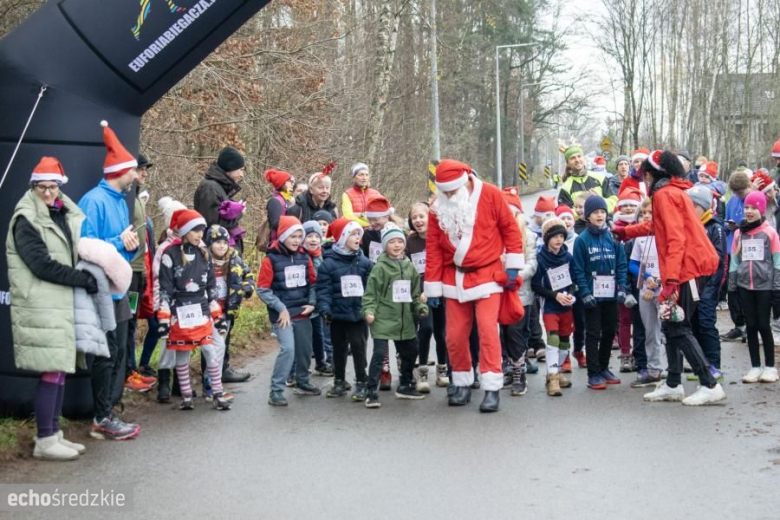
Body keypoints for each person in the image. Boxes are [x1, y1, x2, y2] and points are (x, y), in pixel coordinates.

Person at [613, 150, 727, 405]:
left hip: (688, 269)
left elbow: (675, 239)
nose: (644, 181)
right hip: (687, 267)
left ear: (654, 174)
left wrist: (672, 281)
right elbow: (658, 226)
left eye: (645, 176)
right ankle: (674, 383)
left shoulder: (665, 195)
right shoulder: (672, 192)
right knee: (671, 325)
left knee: (678, 326)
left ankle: (709, 384)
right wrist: (627, 231)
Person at [7, 157, 99, 459]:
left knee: (58, 368)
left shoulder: (60, 213)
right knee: (51, 369)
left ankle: (53, 433)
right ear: (33, 186)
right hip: (41, 305)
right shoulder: (26, 219)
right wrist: (81, 279)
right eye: (41, 187)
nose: (47, 193)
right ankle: (45, 440)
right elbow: (40, 264)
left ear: (60, 188)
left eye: (52, 187)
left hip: (58, 303)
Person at [424, 159, 525, 413]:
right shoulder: (437, 207)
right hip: (453, 277)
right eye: (443, 191)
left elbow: (511, 229)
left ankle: (491, 387)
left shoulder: (490, 194)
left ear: (464, 183)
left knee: (488, 331)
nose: (446, 195)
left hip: (487, 274)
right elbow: (434, 248)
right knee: (455, 335)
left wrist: (512, 265)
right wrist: (432, 285)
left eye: (450, 191)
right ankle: (462, 382)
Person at [78, 121, 141, 440]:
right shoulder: (93, 201)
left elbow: (121, 244)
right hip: (99, 291)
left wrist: (130, 245)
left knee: (115, 353)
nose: (137, 176)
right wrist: (121, 243)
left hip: (118, 291)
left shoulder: (119, 201)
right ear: (120, 170)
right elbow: (85, 246)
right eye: (134, 171)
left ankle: (108, 410)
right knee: (103, 355)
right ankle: (101, 418)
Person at [157, 210, 232, 411]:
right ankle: (186, 395)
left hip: (201, 308)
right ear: (183, 231)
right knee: (182, 354)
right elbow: (165, 289)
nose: (199, 234)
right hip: (180, 309)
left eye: (201, 230)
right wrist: (164, 320)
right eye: (194, 230)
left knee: (209, 349)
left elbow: (211, 289)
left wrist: (218, 316)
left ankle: (217, 391)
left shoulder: (203, 254)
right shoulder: (169, 255)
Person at [255, 216, 321, 405]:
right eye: (293, 236)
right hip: (282, 314)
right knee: (288, 349)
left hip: (302, 311)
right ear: (283, 236)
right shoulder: (271, 259)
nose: (297, 240)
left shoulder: (304, 256)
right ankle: (276, 390)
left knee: (305, 350)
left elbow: (313, 284)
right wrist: (280, 308)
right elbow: (263, 290)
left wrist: (312, 302)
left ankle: (302, 381)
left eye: (300, 236)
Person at [363, 224, 429, 407]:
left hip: (404, 320)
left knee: (411, 350)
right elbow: (370, 294)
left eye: (400, 241)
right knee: (378, 355)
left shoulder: (410, 267)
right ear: (385, 246)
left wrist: (421, 307)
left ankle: (405, 385)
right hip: (383, 318)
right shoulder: (380, 268)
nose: (397, 245)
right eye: (392, 242)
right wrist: (368, 310)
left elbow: (415, 295)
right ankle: (371, 392)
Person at [571, 195, 628, 390]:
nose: (600, 215)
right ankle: (593, 373)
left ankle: (604, 367)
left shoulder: (613, 237)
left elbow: (621, 264)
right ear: (587, 216)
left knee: (610, 331)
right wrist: (584, 293)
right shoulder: (582, 240)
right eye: (595, 212)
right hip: (591, 296)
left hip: (610, 295)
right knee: (593, 333)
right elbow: (578, 269)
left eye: (602, 212)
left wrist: (622, 288)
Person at [316, 217, 373, 400]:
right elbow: (323, 290)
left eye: (359, 234)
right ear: (341, 238)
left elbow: (370, 289)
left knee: (359, 347)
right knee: (339, 349)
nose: (358, 238)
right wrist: (325, 309)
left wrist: (369, 308)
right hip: (337, 315)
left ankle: (362, 381)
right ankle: (339, 380)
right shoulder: (328, 264)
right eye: (353, 234)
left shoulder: (365, 263)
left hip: (358, 314)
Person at [727, 192, 780, 383]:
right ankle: (755, 366)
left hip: (764, 286)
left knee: (764, 325)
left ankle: (770, 367)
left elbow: (777, 262)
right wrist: (731, 289)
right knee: (750, 327)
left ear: (761, 209)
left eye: (753, 208)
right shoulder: (739, 233)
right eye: (747, 208)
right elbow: (734, 260)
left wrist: (776, 290)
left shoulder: (769, 233)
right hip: (744, 286)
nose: (749, 211)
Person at [204, 225, 254, 391]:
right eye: (217, 242)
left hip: (228, 307)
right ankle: (208, 377)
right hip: (208, 310)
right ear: (209, 243)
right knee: (210, 345)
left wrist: (246, 288)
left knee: (223, 342)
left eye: (224, 242)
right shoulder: (204, 261)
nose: (221, 246)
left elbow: (248, 275)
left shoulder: (234, 259)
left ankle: (220, 372)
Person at [147, 197, 187, 403]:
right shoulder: (165, 248)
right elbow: (157, 278)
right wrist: (157, 305)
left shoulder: (195, 246)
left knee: (185, 341)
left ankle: (180, 383)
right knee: (167, 342)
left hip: (189, 301)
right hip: (169, 303)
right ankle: (164, 380)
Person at [499, 187, 539, 395]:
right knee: (503, 332)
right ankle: (509, 367)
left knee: (516, 332)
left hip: (520, 292)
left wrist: (517, 276)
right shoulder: (495, 233)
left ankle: (519, 371)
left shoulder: (529, 235)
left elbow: (533, 262)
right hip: (500, 291)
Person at [532, 218, 576, 397]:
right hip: (550, 306)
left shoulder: (568, 257)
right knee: (553, 340)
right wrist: (554, 295)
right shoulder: (540, 259)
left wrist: (571, 294)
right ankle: (552, 378)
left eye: (561, 236)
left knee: (565, 342)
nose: (558, 240)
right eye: (554, 236)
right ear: (546, 238)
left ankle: (556, 372)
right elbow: (536, 285)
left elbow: (574, 280)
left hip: (567, 306)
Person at [406, 202, 448, 390]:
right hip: (420, 294)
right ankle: (422, 369)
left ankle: (442, 369)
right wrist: (418, 292)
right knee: (426, 329)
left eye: (422, 216)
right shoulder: (410, 242)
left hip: (441, 290)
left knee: (442, 332)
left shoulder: (439, 239)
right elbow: (407, 271)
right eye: (414, 218)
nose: (418, 221)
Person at [685, 186, 725, 381]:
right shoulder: (688, 225)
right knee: (693, 323)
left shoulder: (714, 227)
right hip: (691, 283)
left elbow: (718, 259)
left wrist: (710, 285)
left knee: (707, 322)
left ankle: (714, 364)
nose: (690, 208)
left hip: (708, 284)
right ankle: (700, 364)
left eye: (694, 205)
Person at [124, 152, 156, 391]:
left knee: (132, 322)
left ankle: (132, 369)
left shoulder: (137, 199)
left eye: (145, 169)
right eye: (140, 168)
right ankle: (127, 372)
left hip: (139, 272)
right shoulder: (125, 200)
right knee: (126, 322)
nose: (144, 173)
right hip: (127, 272)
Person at [629, 198, 665, 388]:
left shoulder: (666, 234)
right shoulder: (641, 237)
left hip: (664, 289)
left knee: (668, 329)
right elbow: (633, 264)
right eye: (643, 213)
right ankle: (653, 369)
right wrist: (647, 278)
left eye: (649, 213)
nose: (646, 216)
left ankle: (671, 368)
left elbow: (670, 264)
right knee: (650, 330)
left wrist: (655, 283)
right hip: (645, 289)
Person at [193, 146, 247, 253]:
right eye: (240, 170)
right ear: (230, 167)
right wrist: (238, 213)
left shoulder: (218, 187)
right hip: (214, 252)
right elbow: (213, 223)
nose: (242, 175)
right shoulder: (210, 187)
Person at [612, 189, 642, 373]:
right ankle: (625, 355)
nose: (629, 208)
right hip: (622, 280)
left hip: (641, 279)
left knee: (641, 320)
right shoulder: (615, 230)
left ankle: (640, 355)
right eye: (625, 205)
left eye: (632, 205)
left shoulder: (644, 227)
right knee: (624, 319)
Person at [721, 170, 753, 342]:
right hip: (732, 248)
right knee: (732, 290)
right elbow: (725, 222)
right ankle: (738, 325)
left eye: (741, 192)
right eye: (736, 192)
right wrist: (729, 226)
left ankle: (750, 325)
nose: (739, 195)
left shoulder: (754, 198)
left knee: (746, 289)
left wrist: (742, 225)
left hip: (749, 250)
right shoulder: (732, 201)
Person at [555, 204, 586, 369]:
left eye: (569, 218)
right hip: (561, 287)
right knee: (565, 322)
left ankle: (579, 350)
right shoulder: (553, 241)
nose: (566, 221)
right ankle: (564, 355)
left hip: (578, 286)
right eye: (562, 218)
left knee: (580, 322)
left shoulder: (580, 239)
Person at [302, 220, 334, 376]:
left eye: (317, 236)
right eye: (309, 236)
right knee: (303, 337)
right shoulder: (300, 256)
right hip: (303, 303)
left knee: (319, 334)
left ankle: (321, 363)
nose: (313, 239)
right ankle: (298, 369)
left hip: (320, 301)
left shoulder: (324, 256)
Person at [557, 142, 614, 210]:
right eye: (572, 158)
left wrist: (599, 200)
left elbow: (614, 203)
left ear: (583, 158)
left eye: (579, 156)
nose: (577, 160)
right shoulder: (565, 188)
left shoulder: (600, 178)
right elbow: (564, 213)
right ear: (568, 163)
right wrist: (584, 211)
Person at [341, 162, 380, 228]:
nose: (364, 178)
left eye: (366, 175)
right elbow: (348, 217)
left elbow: (381, 215)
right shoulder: (347, 194)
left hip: (375, 231)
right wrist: (366, 223)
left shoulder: (376, 194)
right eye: (361, 175)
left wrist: (357, 215)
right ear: (354, 177)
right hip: (354, 231)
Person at [263, 168, 295, 245]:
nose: (292, 184)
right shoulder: (275, 201)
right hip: (277, 243)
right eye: (289, 181)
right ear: (282, 183)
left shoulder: (288, 199)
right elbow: (276, 224)